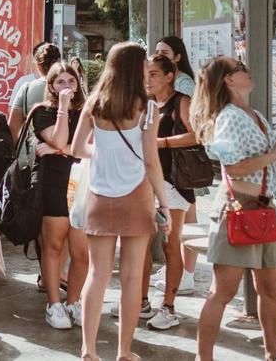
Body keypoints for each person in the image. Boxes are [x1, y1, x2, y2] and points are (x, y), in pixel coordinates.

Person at [191, 56, 276, 361]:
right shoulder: (229, 117)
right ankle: (203, 358)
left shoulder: (254, 113)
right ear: (229, 80)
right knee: (223, 291)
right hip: (238, 209)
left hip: (263, 209)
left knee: (270, 288)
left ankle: (274, 354)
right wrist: (273, 156)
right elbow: (234, 168)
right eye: (241, 67)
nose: (247, 69)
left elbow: (267, 162)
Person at [70, 42, 171, 361]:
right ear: (134, 68)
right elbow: (152, 161)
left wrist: (102, 154)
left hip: (99, 196)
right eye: (144, 64)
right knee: (130, 278)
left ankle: (88, 349)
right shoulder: (149, 108)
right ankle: (124, 351)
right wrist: (164, 205)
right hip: (136, 197)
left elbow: (76, 148)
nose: (147, 69)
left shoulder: (95, 104)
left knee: (97, 275)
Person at [140, 53, 198, 331]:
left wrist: (160, 142)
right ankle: (140, 302)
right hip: (147, 182)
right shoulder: (148, 104)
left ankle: (169, 306)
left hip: (174, 184)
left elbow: (196, 135)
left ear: (169, 76)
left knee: (169, 243)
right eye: (146, 74)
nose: (148, 79)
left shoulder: (180, 102)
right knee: (140, 243)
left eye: (153, 74)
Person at [29, 61, 86, 329]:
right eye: (60, 82)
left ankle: (73, 301)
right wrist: (63, 109)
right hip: (54, 184)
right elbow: (60, 138)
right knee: (53, 245)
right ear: (50, 86)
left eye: (71, 81)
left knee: (81, 251)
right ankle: (54, 304)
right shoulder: (42, 112)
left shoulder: (89, 111)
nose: (67, 87)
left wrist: (57, 150)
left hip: (82, 182)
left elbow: (91, 146)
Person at [6, 42, 62, 140]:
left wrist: (14, 152)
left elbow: (14, 128)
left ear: (38, 65)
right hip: (66, 150)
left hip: (32, 150)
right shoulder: (71, 87)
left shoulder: (27, 88)